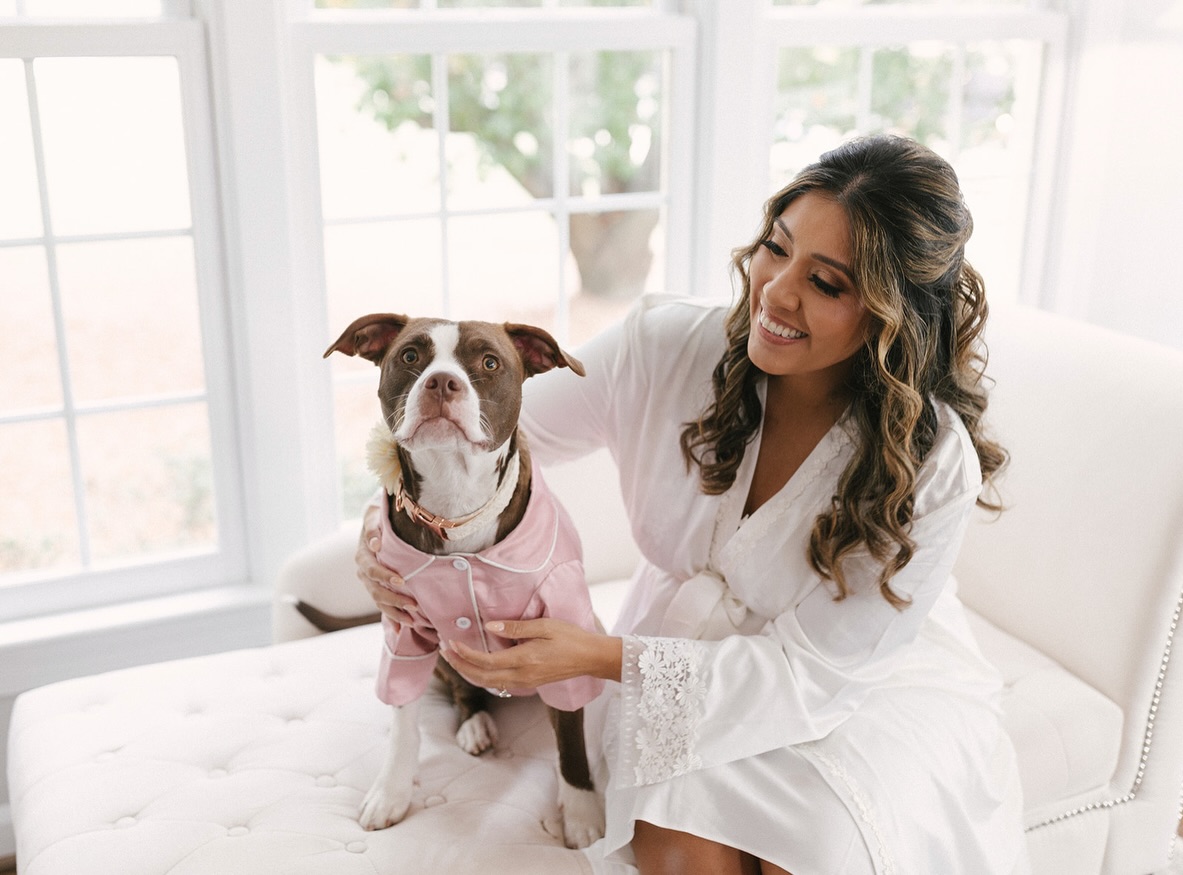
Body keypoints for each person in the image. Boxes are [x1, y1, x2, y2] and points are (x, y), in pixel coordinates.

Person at [355, 135, 1029, 875]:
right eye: (776, 248)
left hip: (861, 680)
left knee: (814, 855)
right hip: (684, 651)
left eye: (825, 283)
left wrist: (598, 656)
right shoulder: (663, 348)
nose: (775, 292)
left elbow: (817, 674)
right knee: (680, 853)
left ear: (890, 315)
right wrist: (387, 531)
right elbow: (486, 427)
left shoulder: (932, 463)